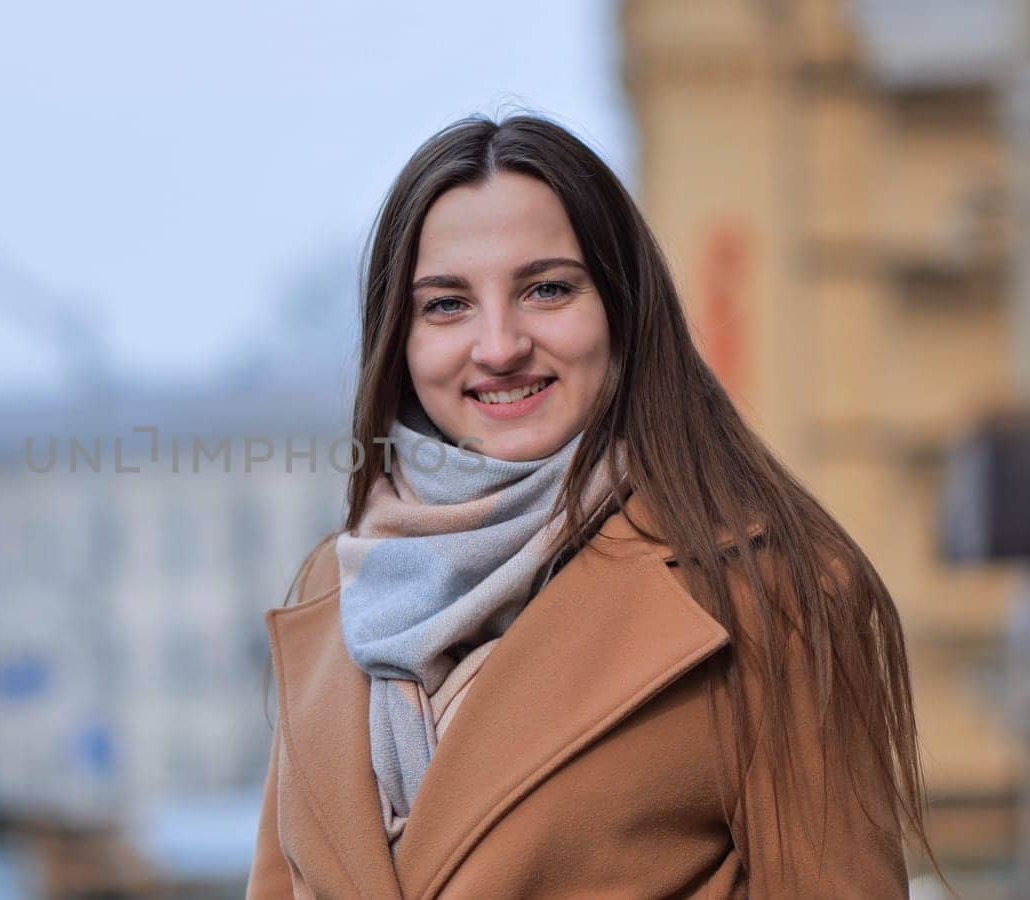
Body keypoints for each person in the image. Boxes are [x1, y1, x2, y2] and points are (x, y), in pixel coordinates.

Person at [247, 114, 940, 898]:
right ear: (398, 341)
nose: (500, 345)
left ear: (621, 310)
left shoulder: (766, 591)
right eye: (446, 304)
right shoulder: (335, 588)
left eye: (547, 289)